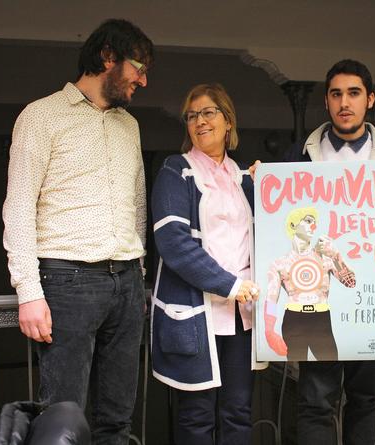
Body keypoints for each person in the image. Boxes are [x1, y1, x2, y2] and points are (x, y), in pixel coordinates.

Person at [2, 19, 153, 444]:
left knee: (117, 420)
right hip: (67, 281)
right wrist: (28, 291)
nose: (144, 80)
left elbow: (136, 203)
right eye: (139, 68)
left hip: (127, 280)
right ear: (108, 57)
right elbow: (18, 206)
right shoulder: (40, 116)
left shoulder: (130, 125)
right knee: (61, 419)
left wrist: (138, 273)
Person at [284, 59, 375, 445]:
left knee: (366, 401)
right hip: (315, 301)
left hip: (374, 302)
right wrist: (259, 183)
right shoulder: (299, 157)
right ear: (326, 101)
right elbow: (280, 225)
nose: (344, 102)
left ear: (370, 99)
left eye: (353, 93)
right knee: (315, 402)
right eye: (336, 94)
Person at [150, 83, 264, 445]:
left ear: (228, 121)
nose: (200, 121)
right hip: (197, 315)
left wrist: (269, 186)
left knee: (238, 413)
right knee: (196, 418)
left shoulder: (245, 177)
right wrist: (231, 285)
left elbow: (278, 228)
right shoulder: (175, 171)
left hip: (242, 316)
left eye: (208, 112)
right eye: (192, 115)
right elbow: (174, 244)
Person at [265, 206, 356, 361]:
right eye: (308, 221)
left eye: (314, 222)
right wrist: (269, 330)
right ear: (293, 225)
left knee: (329, 366)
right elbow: (271, 299)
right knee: (297, 366)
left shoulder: (325, 256)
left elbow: (351, 283)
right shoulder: (279, 264)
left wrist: (335, 254)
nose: (313, 226)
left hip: (321, 318)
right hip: (293, 319)